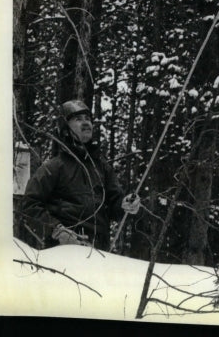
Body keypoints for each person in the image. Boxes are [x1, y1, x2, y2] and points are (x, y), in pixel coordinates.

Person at [23, 99, 140, 251]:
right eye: (78, 119)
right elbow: (29, 205)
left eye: (87, 119)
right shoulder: (53, 167)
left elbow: (115, 204)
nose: (86, 123)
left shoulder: (102, 167)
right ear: (65, 129)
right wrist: (57, 230)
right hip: (63, 251)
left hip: (100, 250)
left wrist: (127, 205)